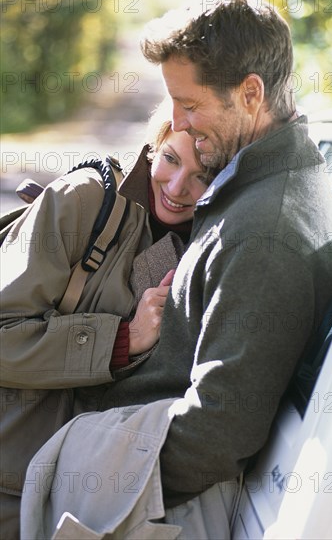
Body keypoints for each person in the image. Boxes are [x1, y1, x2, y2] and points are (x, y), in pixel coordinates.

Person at [91, 0, 332, 533]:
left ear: (250, 93)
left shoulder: (266, 231)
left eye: (189, 104)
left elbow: (217, 432)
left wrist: (103, 481)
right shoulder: (255, 179)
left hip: (154, 501)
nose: (178, 122)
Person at [0, 101, 213, 538]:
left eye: (202, 175)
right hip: (9, 473)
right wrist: (124, 338)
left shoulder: (212, 248)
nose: (177, 187)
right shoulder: (85, 199)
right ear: (154, 148)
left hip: (86, 495)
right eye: (171, 159)